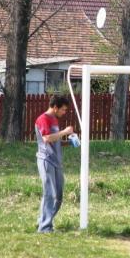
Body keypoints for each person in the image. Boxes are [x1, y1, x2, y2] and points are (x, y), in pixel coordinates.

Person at [34, 95, 76, 233]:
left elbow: (55, 140)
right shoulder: (43, 119)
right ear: (55, 107)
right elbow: (46, 138)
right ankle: (45, 228)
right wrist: (64, 132)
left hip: (56, 162)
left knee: (58, 196)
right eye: (63, 110)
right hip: (46, 160)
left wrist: (70, 142)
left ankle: (43, 221)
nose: (64, 112)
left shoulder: (54, 120)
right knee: (49, 193)